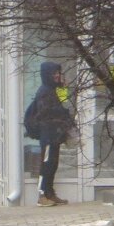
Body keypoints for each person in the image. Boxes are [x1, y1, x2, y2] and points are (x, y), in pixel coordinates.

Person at [29, 61, 74, 206]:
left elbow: (64, 104)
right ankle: (42, 195)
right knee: (46, 163)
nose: (57, 76)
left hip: (55, 134)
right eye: (54, 73)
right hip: (48, 134)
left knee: (53, 163)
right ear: (47, 74)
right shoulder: (44, 91)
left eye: (58, 73)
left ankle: (50, 192)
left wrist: (62, 89)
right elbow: (47, 112)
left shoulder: (54, 90)